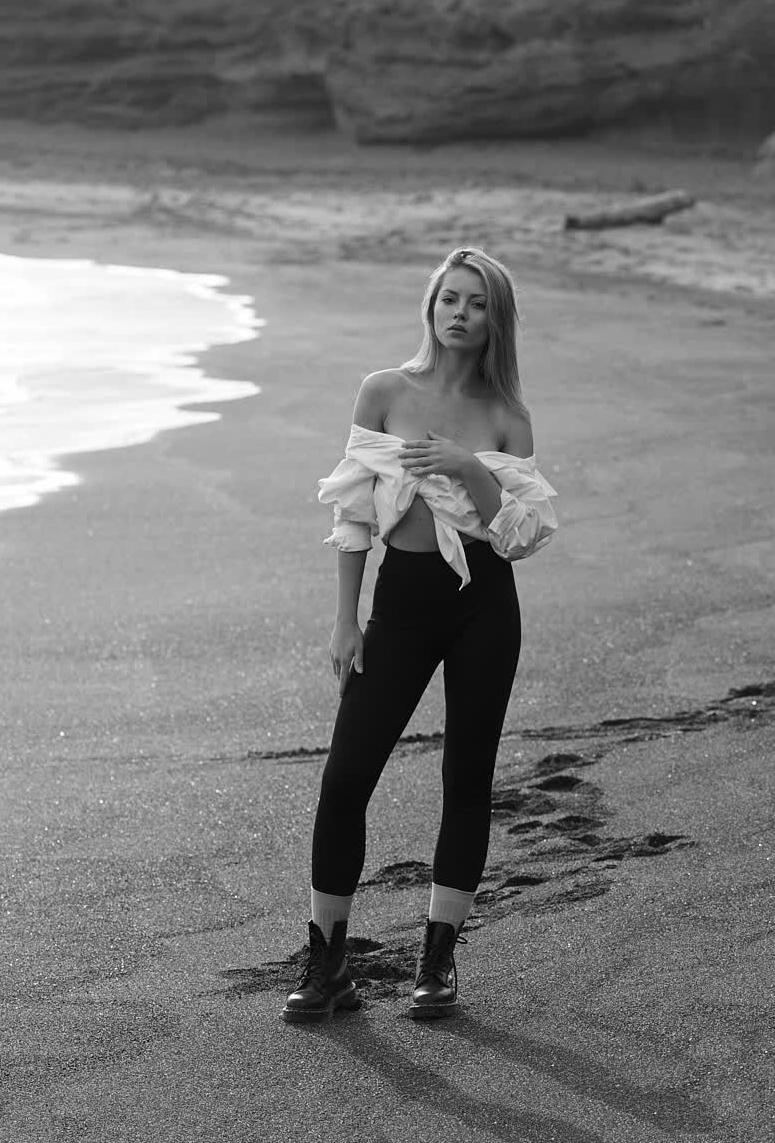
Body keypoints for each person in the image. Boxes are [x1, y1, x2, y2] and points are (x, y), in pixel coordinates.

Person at [283, 246, 558, 1022]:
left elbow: (517, 536)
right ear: (432, 305)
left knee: (466, 779)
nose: (460, 312)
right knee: (346, 778)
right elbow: (353, 514)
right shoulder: (384, 391)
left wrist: (469, 467)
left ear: (495, 320)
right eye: (450, 298)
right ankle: (328, 962)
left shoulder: (507, 417)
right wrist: (346, 619)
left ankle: (436, 962)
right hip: (399, 604)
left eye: (477, 302)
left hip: (483, 604)